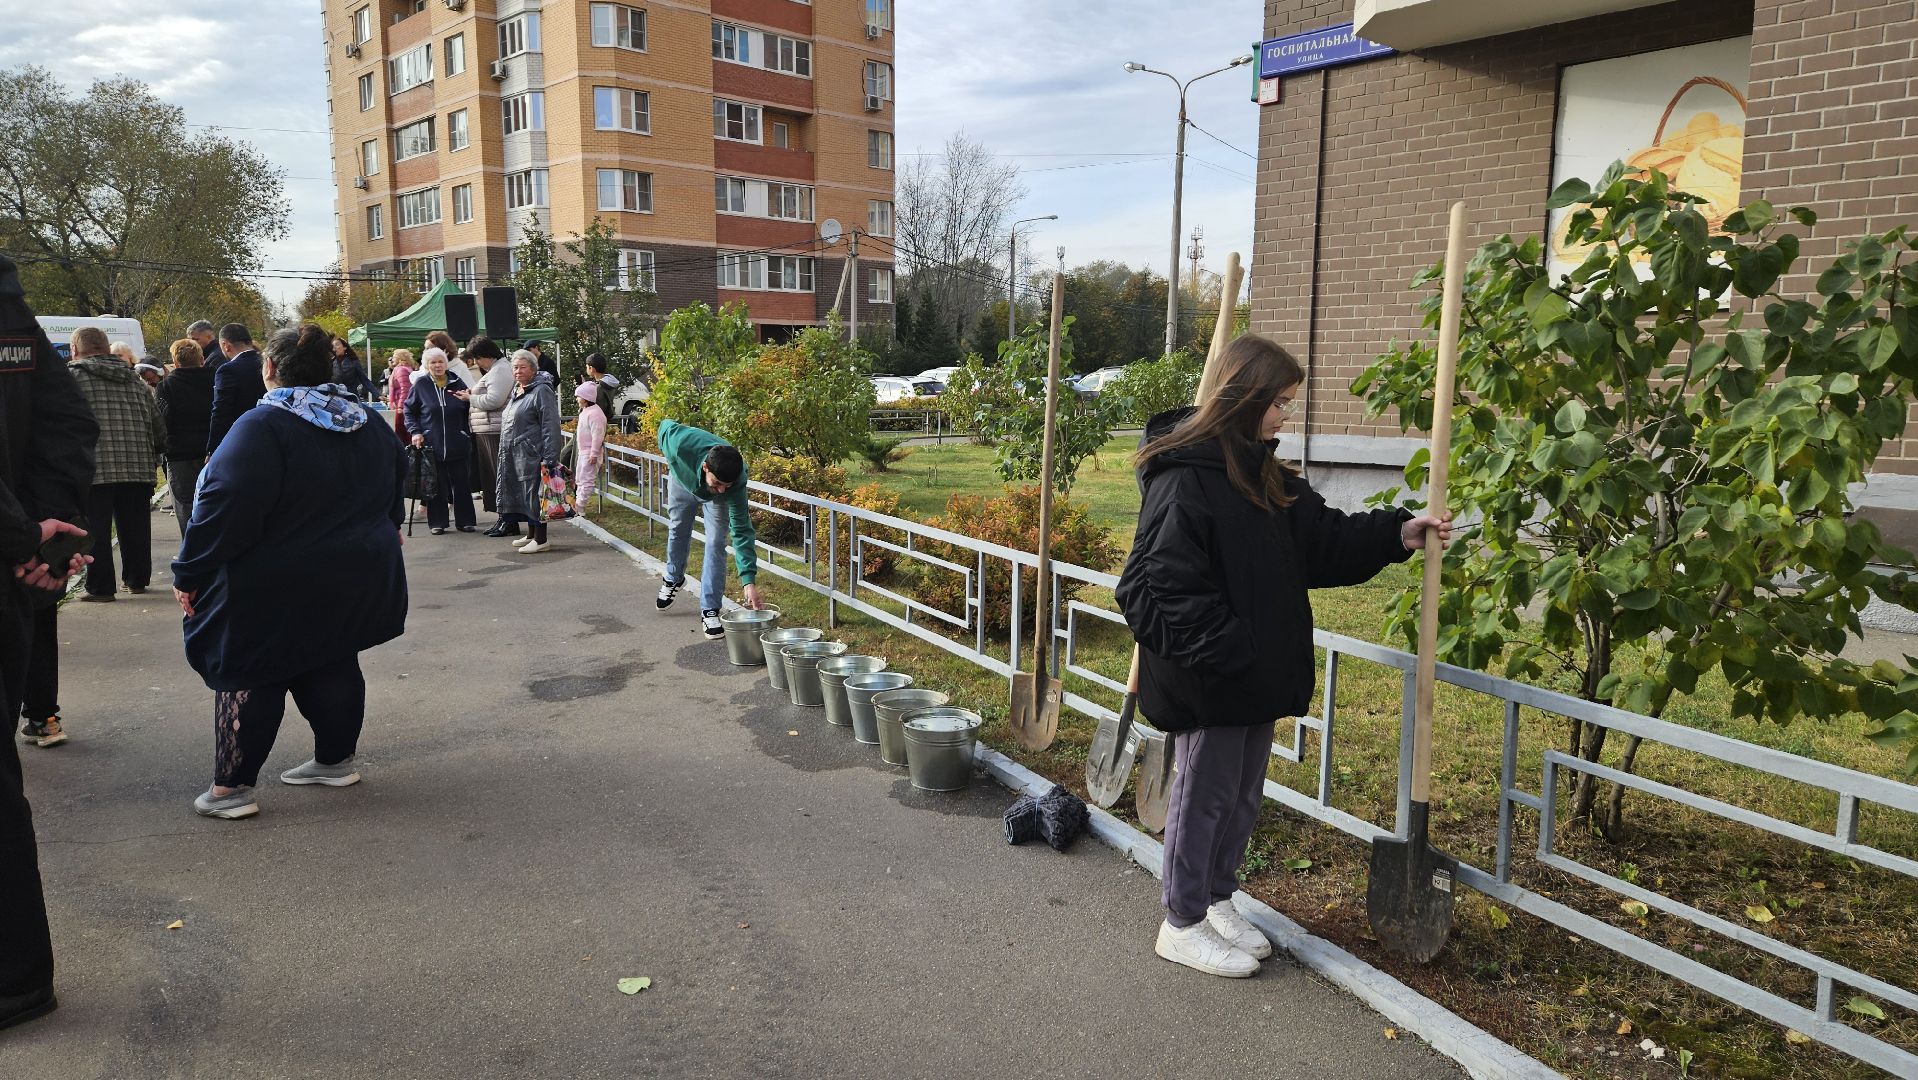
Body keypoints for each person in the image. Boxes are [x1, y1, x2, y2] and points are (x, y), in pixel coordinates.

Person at [1114, 336, 1451, 980]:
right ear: (1246, 399)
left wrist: (1395, 533)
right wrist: (1231, 651)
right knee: (1201, 797)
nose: (1285, 417)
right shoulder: (1186, 478)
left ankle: (1215, 900)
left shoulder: (1259, 473)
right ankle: (1179, 923)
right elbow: (1153, 586)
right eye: (1280, 403)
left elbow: (1321, 541)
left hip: (1252, 674)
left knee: (1239, 798)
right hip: (1213, 677)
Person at [172, 325, 407, 820]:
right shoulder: (364, 418)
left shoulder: (263, 426)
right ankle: (334, 761)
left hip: (272, 580)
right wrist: (384, 527)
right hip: (355, 570)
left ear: (270, 369)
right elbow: (393, 478)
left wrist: (188, 571)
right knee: (333, 656)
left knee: (250, 672)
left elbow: (221, 504)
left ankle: (231, 790)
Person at [0, 251, 99, 1030]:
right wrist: (38, 535)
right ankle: (18, 978)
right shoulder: (13, 311)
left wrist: (27, 535)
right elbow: (67, 421)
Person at [67, 327, 165, 601]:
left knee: (95, 529)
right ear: (107, 348)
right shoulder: (136, 382)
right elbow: (158, 426)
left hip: (92, 468)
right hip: (137, 466)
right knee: (135, 526)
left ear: (75, 350)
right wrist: (157, 451)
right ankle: (136, 579)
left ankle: (101, 587)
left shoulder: (72, 378)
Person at [654, 419, 761, 638]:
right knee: (678, 528)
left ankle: (710, 609)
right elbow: (664, 426)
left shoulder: (735, 483)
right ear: (705, 467)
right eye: (718, 483)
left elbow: (741, 531)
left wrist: (748, 580)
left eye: (726, 486)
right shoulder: (679, 444)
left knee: (715, 542)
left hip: (708, 494)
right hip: (682, 481)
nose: (721, 490)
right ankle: (673, 578)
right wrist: (675, 466)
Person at [495, 351, 563, 554]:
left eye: (522, 367)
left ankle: (541, 539)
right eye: (515, 367)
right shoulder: (520, 389)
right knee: (525, 494)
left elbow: (550, 423)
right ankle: (531, 534)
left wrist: (550, 456)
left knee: (534, 495)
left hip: (533, 452)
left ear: (533, 368)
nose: (518, 371)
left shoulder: (542, 390)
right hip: (516, 452)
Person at [404, 347, 477, 534]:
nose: (437, 365)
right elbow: (409, 411)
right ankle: (438, 522)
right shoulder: (421, 385)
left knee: (461, 483)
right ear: (427, 366)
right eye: (433, 362)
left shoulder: (456, 381)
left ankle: (465, 521)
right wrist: (416, 432)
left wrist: (466, 430)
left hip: (457, 441)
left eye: (440, 361)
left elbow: (470, 405)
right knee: (436, 485)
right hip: (431, 442)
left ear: (446, 363)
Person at [156, 339, 216, 522]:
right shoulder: (216, 379)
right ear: (201, 358)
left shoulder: (166, 386)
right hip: (213, 450)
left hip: (181, 454)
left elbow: (163, 422)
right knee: (215, 503)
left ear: (175, 362)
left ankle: (191, 547)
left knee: (186, 506)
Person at [464, 337, 513, 534]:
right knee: (493, 478)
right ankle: (504, 519)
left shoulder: (500, 370)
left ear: (486, 355)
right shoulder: (496, 370)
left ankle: (508, 520)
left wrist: (470, 397)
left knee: (498, 477)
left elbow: (494, 400)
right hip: (488, 428)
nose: (476, 363)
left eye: (477, 358)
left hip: (494, 429)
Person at [205, 323, 264, 455]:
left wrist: (213, 448)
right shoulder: (268, 363)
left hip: (241, 438)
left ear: (225, 345)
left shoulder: (227, 370)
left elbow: (221, 410)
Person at [573, 382, 606, 505]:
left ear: (586, 398)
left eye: (578, 396)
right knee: (580, 479)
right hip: (583, 452)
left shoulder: (595, 414)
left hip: (590, 453)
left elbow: (598, 435)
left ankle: (580, 506)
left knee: (587, 480)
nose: (577, 399)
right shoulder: (586, 411)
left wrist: (594, 453)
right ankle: (577, 504)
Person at [331, 336, 379, 401]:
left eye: (337, 344)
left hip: (352, 398)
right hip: (336, 399)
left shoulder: (354, 362)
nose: (335, 347)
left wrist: (377, 395)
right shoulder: (331, 363)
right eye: (333, 346)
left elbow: (365, 380)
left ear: (345, 347)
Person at [386, 348, 415, 441]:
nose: (392, 358)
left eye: (394, 356)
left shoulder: (401, 370)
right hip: (404, 404)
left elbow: (405, 389)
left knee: (401, 432)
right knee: (404, 432)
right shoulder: (405, 369)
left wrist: (400, 406)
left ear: (400, 358)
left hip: (403, 405)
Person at [585, 353, 622, 422]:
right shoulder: (609, 382)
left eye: (586, 367)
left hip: (596, 422)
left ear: (591, 369)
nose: (586, 369)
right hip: (605, 420)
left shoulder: (599, 387)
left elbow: (594, 407)